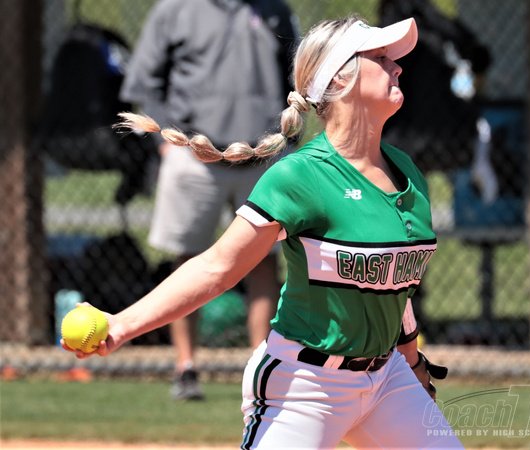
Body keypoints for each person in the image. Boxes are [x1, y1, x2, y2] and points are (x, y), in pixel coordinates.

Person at [65, 15, 463, 449]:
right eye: (381, 58)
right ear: (340, 78)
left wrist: (412, 363)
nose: (397, 66)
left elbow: (395, 285)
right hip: (307, 386)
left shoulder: (406, 172)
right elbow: (217, 267)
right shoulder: (302, 176)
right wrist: (121, 324)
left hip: (388, 380)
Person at [119, 0, 298, 400]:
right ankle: (185, 368)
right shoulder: (175, 9)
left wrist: (289, 139)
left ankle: (260, 369)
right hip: (194, 155)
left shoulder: (274, 8)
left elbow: (296, 78)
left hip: (260, 156)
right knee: (188, 259)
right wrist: (166, 141)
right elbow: (144, 81)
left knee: (263, 260)